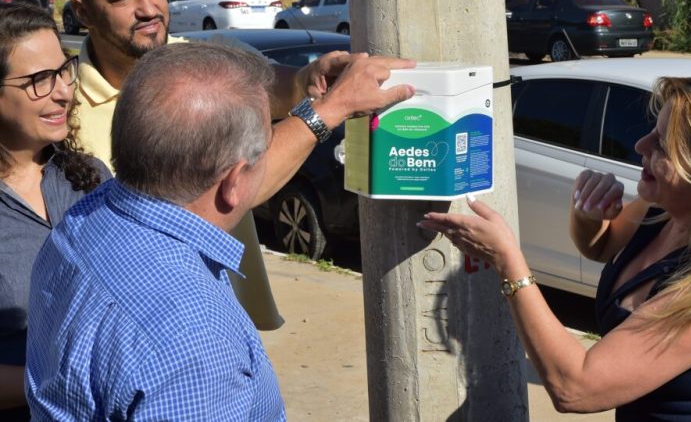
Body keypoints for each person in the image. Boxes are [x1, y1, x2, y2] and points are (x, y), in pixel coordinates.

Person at [25, 41, 413, 419]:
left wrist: (326, 109)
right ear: (234, 182)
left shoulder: (85, 219)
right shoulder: (195, 342)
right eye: (264, 149)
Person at [419, 73, 691, 420]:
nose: (640, 145)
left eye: (663, 144)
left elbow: (576, 389)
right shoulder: (663, 212)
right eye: (653, 130)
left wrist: (508, 262)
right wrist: (588, 216)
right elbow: (600, 249)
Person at [66, 0, 361, 330]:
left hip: (232, 325)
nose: (149, 8)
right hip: (139, 340)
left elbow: (275, 85)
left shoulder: (205, 62)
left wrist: (310, 77)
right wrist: (325, 113)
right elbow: (230, 195)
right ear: (82, 12)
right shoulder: (59, 110)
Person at [0, 2, 110, 420]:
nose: (64, 90)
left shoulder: (89, 178)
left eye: (64, 70)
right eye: (39, 80)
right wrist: (60, 382)